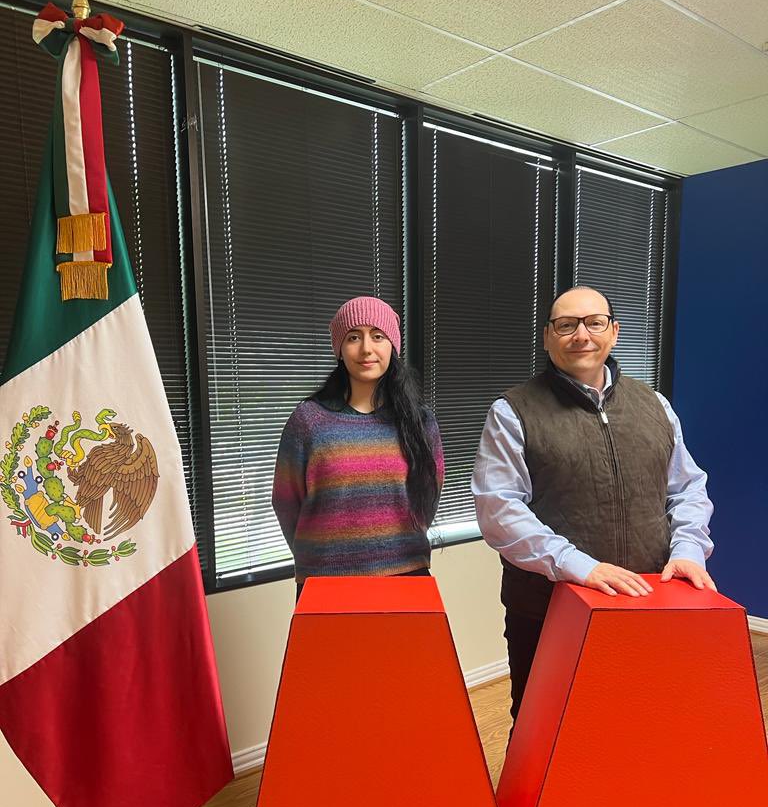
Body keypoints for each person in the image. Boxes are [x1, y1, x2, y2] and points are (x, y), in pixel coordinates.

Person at [472, 285, 714, 728]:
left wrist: (688, 551)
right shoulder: (512, 411)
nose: (581, 335)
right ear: (547, 337)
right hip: (548, 610)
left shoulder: (655, 405)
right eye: (566, 325)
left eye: (594, 323)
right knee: (545, 728)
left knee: (641, 724)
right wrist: (581, 567)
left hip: (647, 601)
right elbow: (499, 509)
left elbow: (687, 488)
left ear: (614, 331)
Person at [272, 296, 444, 597]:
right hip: (324, 582)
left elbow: (429, 494)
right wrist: (317, 554)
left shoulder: (420, 421)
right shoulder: (308, 421)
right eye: (353, 337)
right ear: (339, 349)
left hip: (407, 574)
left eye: (378, 336)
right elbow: (286, 501)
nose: (366, 348)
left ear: (392, 346)